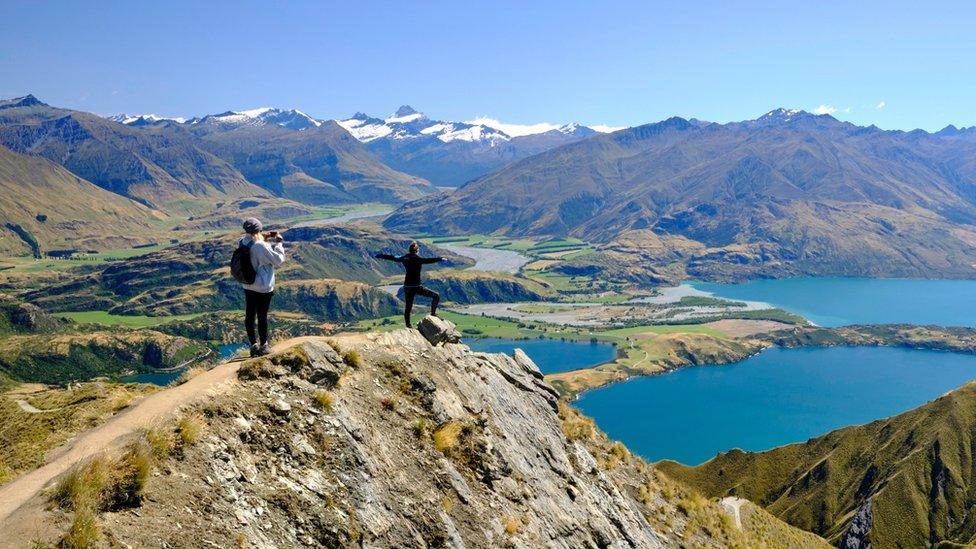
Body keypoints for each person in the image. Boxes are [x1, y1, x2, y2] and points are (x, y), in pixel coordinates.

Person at [240, 217, 286, 357]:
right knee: (262, 316)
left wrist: (264, 239)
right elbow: (278, 260)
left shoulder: (243, 242)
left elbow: (256, 256)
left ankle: (253, 346)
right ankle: (264, 346)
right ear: (259, 229)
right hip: (263, 287)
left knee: (250, 315)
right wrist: (278, 243)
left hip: (248, 284)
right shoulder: (260, 245)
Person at [375, 241, 443, 328]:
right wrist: (440, 259)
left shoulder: (404, 258)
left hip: (407, 287)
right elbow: (429, 260)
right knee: (436, 296)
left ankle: (408, 326)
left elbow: (393, 257)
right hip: (417, 287)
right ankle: (433, 313)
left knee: (408, 307)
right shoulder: (418, 259)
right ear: (417, 250)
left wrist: (381, 255)